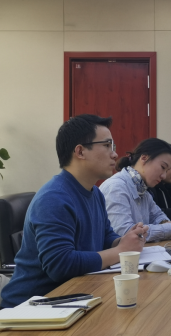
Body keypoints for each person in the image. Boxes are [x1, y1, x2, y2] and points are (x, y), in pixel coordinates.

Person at [0, 115, 148, 308]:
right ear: (80, 151)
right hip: (31, 307)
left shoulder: (95, 192)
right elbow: (60, 265)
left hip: (74, 296)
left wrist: (125, 240)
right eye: (107, 145)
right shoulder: (54, 198)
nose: (114, 154)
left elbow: (105, 237)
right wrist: (120, 251)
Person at [100, 138, 171, 242]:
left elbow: (158, 216)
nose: (163, 176)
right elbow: (124, 233)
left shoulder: (142, 189)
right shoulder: (116, 187)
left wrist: (170, 224)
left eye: (166, 171)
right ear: (144, 158)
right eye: (163, 167)